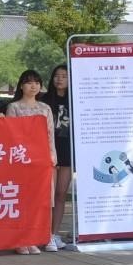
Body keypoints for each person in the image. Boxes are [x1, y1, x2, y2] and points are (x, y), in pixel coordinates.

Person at [5, 69, 57, 254]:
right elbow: (11, 134)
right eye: (28, 82)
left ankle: (39, 237)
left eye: (36, 82)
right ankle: (21, 239)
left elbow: (50, 134)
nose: (33, 86)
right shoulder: (14, 107)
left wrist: (52, 156)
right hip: (21, 159)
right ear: (21, 86)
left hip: (41, 160)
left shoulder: (45, 108)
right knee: (22, 200)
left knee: (41, 200)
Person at [42, 64, 75, 250]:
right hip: (49, 150)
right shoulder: (44, 100)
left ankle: (54, 234)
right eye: (57, 75)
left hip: (67, 150)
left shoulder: (76, 99)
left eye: (64, 76)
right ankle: (43, 232)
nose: (60, 79)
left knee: (61, 193)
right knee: (48, 194)